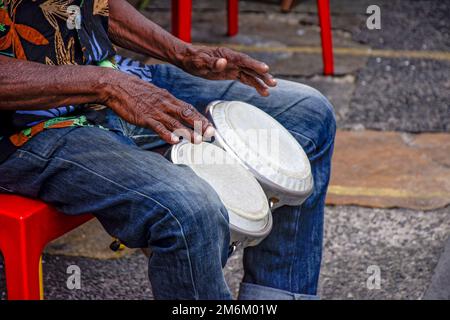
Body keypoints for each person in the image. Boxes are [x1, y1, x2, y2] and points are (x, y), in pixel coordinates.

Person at [0, 0, 336, 300]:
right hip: (26, 127)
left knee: (307, 116)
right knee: (191, 206)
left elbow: (95, 6)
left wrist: (181, 53)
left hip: (114, 77)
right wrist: (105, 86)